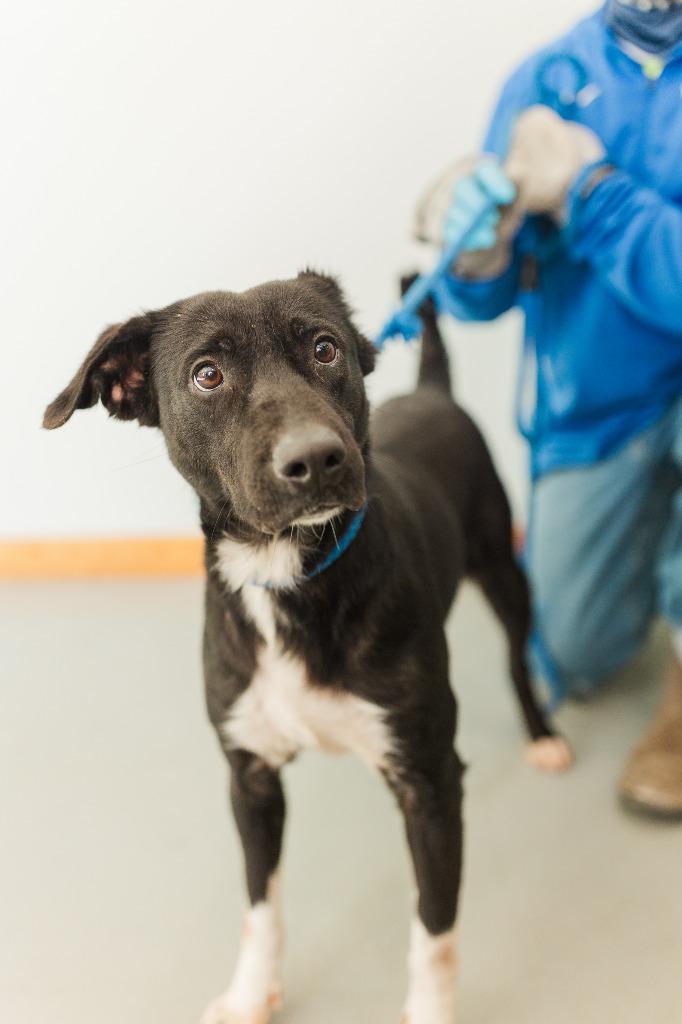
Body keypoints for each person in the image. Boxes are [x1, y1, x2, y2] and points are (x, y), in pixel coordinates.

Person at [415, 0, 682, 818]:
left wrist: (591, 191)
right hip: (598, 407)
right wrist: (479, 249)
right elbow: (484, 296)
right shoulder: (544, 79)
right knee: (574, 651)